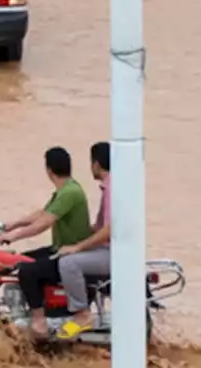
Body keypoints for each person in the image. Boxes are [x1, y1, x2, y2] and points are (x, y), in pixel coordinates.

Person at [0, 146, 92, 338]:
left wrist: (14, 236)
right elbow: (42, 213)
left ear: (49, 170)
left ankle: (39, 321)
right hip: (60, 249)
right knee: (19, 259)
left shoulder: (69, 193)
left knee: (26, 270)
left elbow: (44, 223)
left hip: (70, 253)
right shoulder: (66, 190)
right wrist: (11, 224)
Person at [53, 141, 113, 340]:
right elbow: (97, 228)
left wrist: (77, 247)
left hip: (112, 253)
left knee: (68, 263)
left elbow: (108, 231)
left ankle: (81, 314)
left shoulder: (112, 189)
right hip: (109, 250)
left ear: (96, 164)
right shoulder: (108, 187)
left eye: (91, 163)